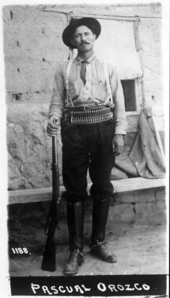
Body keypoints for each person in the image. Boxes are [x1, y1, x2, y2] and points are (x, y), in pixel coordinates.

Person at [47, 17, 127, 276]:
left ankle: (98, 242)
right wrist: (54, 118)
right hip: (74, 132)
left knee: (103, 185)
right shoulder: (63, 69)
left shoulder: (108, 68)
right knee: (75, 189)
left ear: (94, 37)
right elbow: (57, 101)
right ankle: (76, 250)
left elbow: (120, 105)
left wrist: (120, 133)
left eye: (87, 34)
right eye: (78, 36)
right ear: (72, 41)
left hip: (104, 129)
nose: (83, 39)